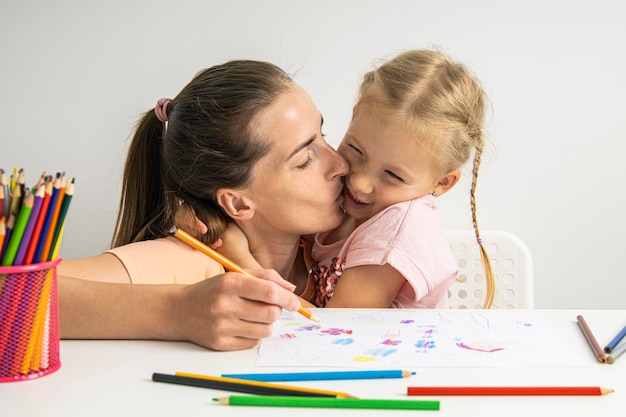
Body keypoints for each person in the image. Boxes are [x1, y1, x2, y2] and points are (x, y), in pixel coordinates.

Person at [57, 59, 349, 351]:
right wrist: (178, 312)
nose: (341, 164)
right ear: (237, 202)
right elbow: (14, 297)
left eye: (323, 135)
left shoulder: (334, 245)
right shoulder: (186, 263)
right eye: (305, 161)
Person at [220, 49, 496, 310]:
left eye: (392, 175)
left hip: (390, 359)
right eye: (356, 150)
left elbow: (335, 331)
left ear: (442, 183)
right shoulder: (342, 202)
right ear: (354, 117)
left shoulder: (397, 231)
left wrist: (244, 265)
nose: (360, 182)